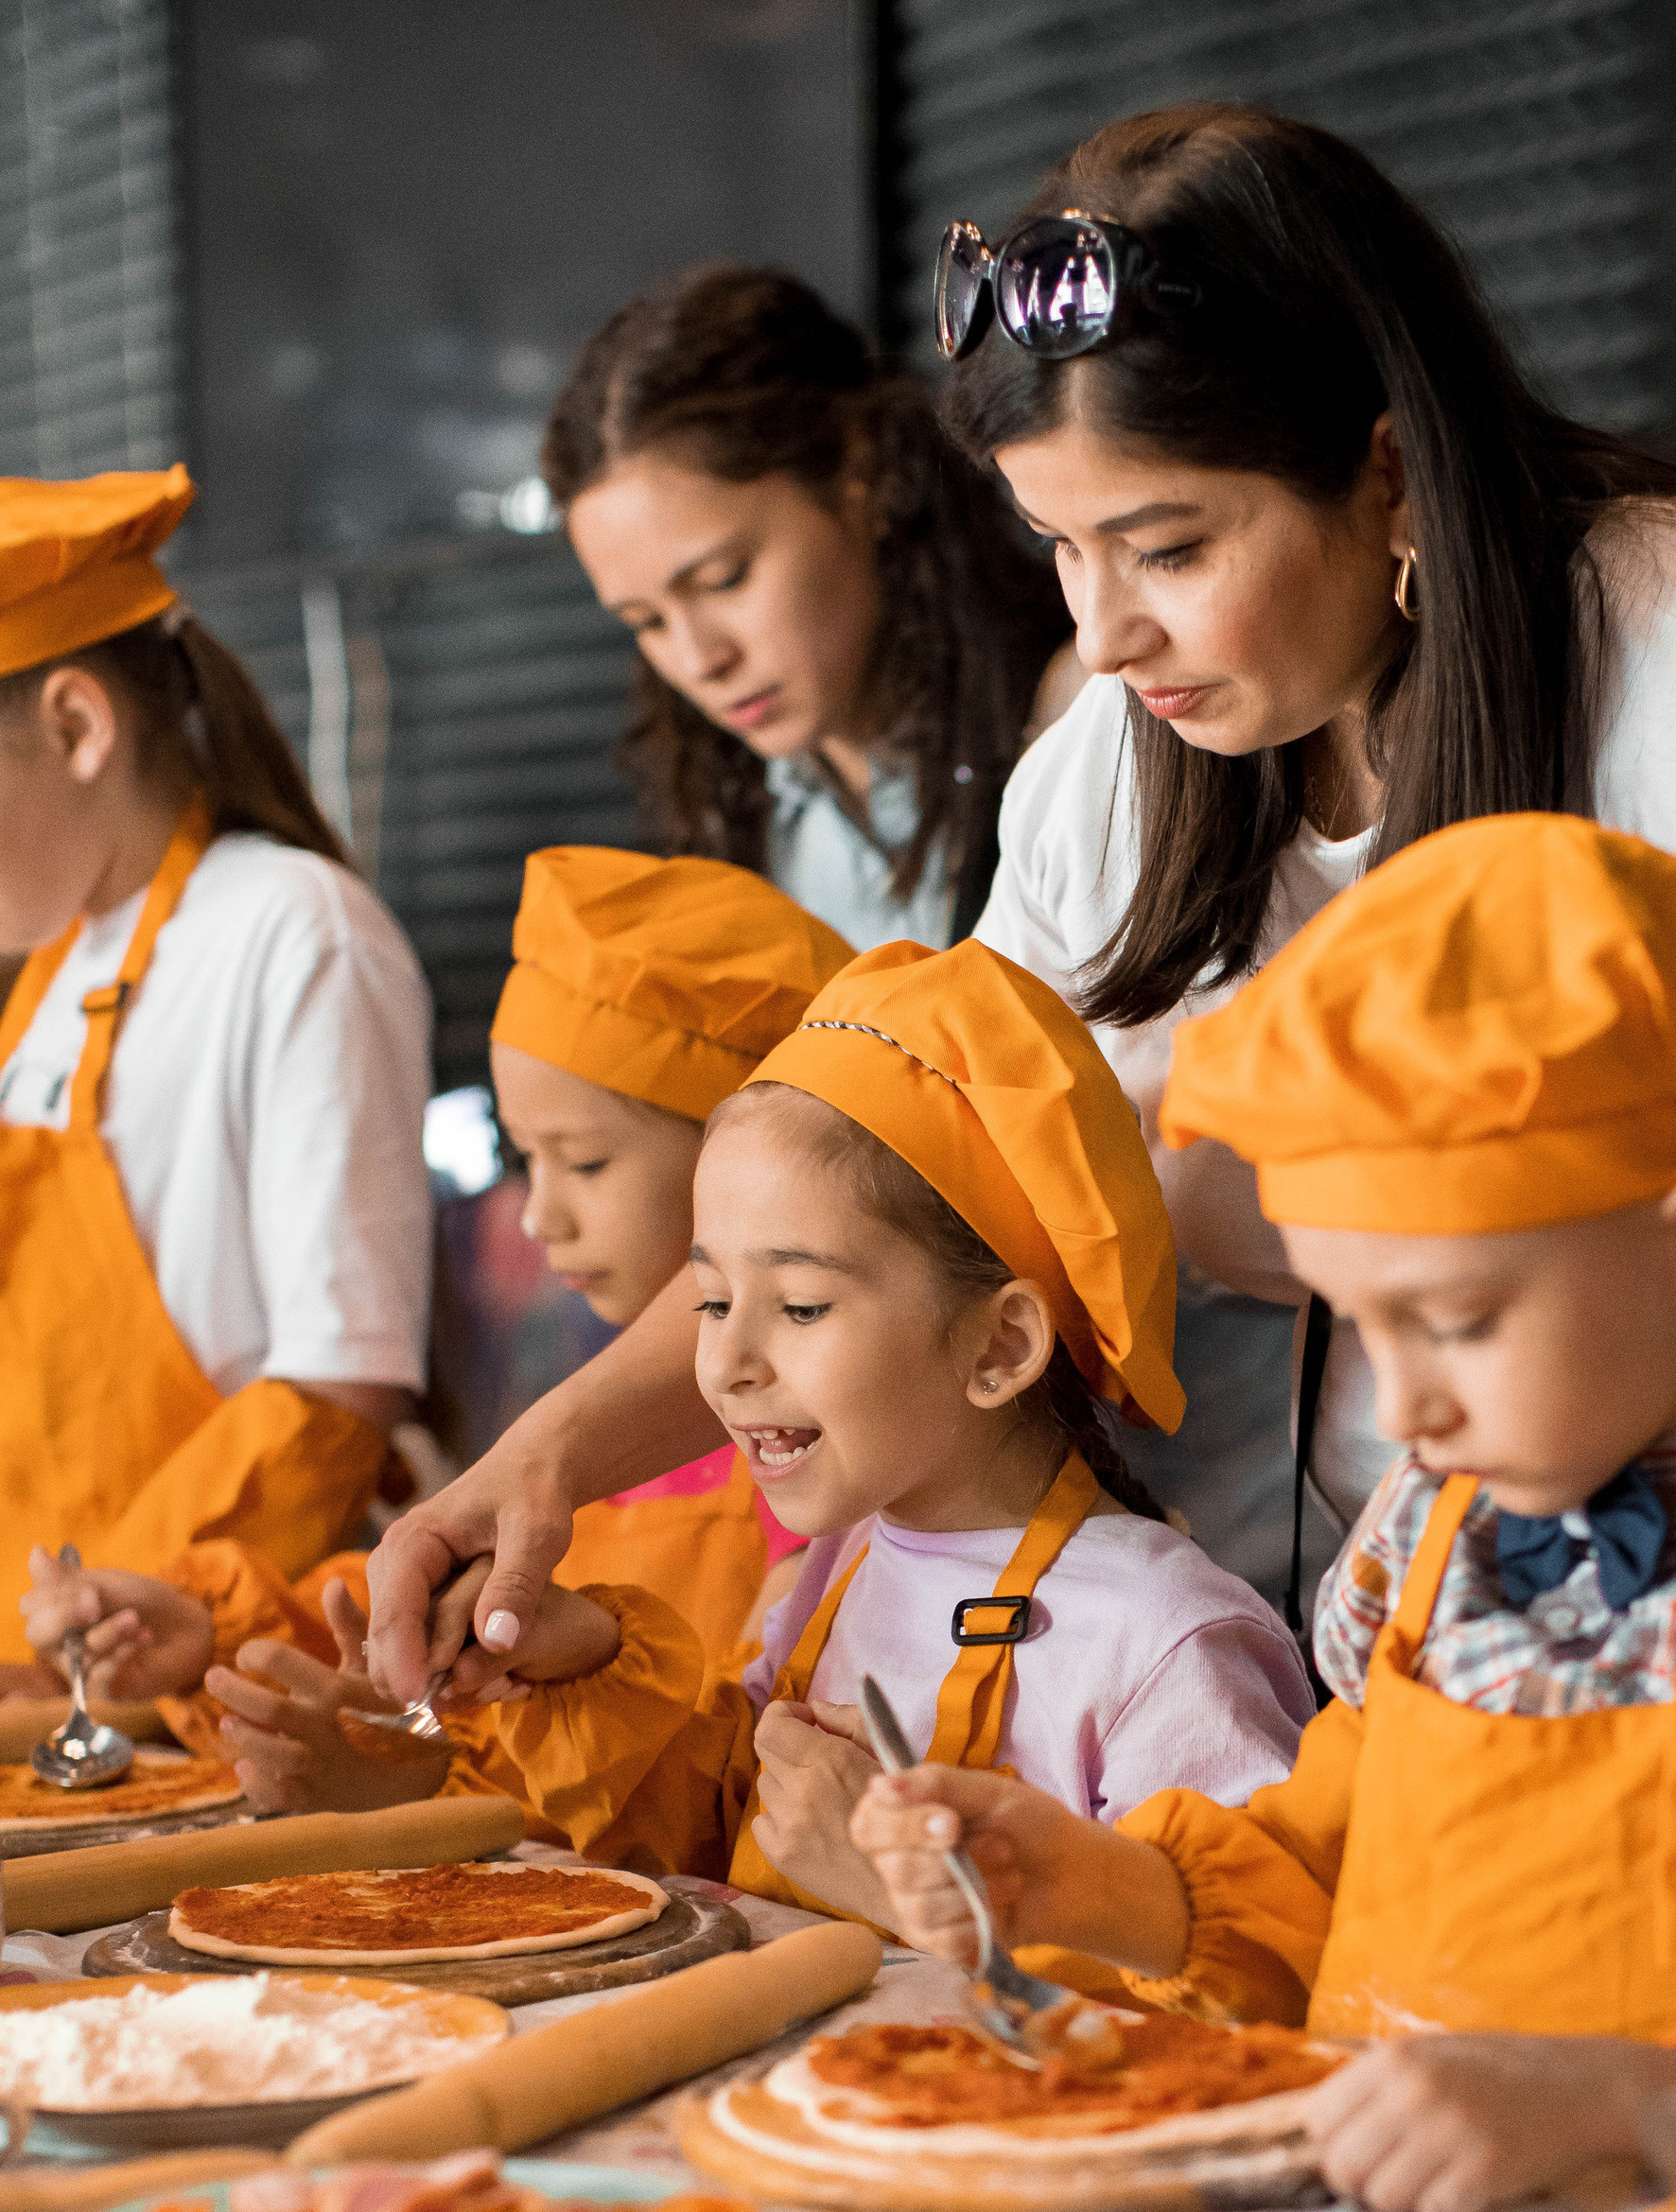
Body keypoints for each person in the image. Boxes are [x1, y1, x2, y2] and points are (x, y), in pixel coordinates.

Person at [360, 109, 1676, 1695]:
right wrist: (549, 1459)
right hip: (1439, 1620)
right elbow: (894, 1190)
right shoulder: (1121, 763)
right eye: (1060, 545)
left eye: (1171, 547)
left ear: (1394, 470)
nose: (1106, 635)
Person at [850, 818, 1676, 2212]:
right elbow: (1333, 1869)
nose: (1406, 1412)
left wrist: (1641, 2101)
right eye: (1365, 1327)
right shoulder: (1425, 1535)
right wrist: (1090, 1884)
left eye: (1457, 1324)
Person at [426, 933, 1313, 1924]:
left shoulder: (1160, 1645)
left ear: (1001, 1345)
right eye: (714, 1302)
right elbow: (724, 1838)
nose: (724, 1364)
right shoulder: (834, 1570)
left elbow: (1237, 2003)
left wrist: (905, 1902)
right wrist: (584, 1657)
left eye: (801, 1307)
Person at [21, 848, 853, 1816]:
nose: (540, 1218)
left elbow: (732, 1799)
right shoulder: (579, 1427)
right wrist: (211, 1634)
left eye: (583, 1163)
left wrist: (430, 1782)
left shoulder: (805, 1469)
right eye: (522, 1158)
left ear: (746, 1165)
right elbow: (438, 1637)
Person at [0, 465, 431, 1611]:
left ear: (78, 724)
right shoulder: (52, 969)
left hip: (184, 1657)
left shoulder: (296, 932)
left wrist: (95, 1624)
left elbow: (342, 1389)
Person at [545, 260, 1074, 955]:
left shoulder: (1076, 720)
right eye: (646, 622)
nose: (701, 660)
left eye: (724, 579)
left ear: (861, 470)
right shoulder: (735, 823)